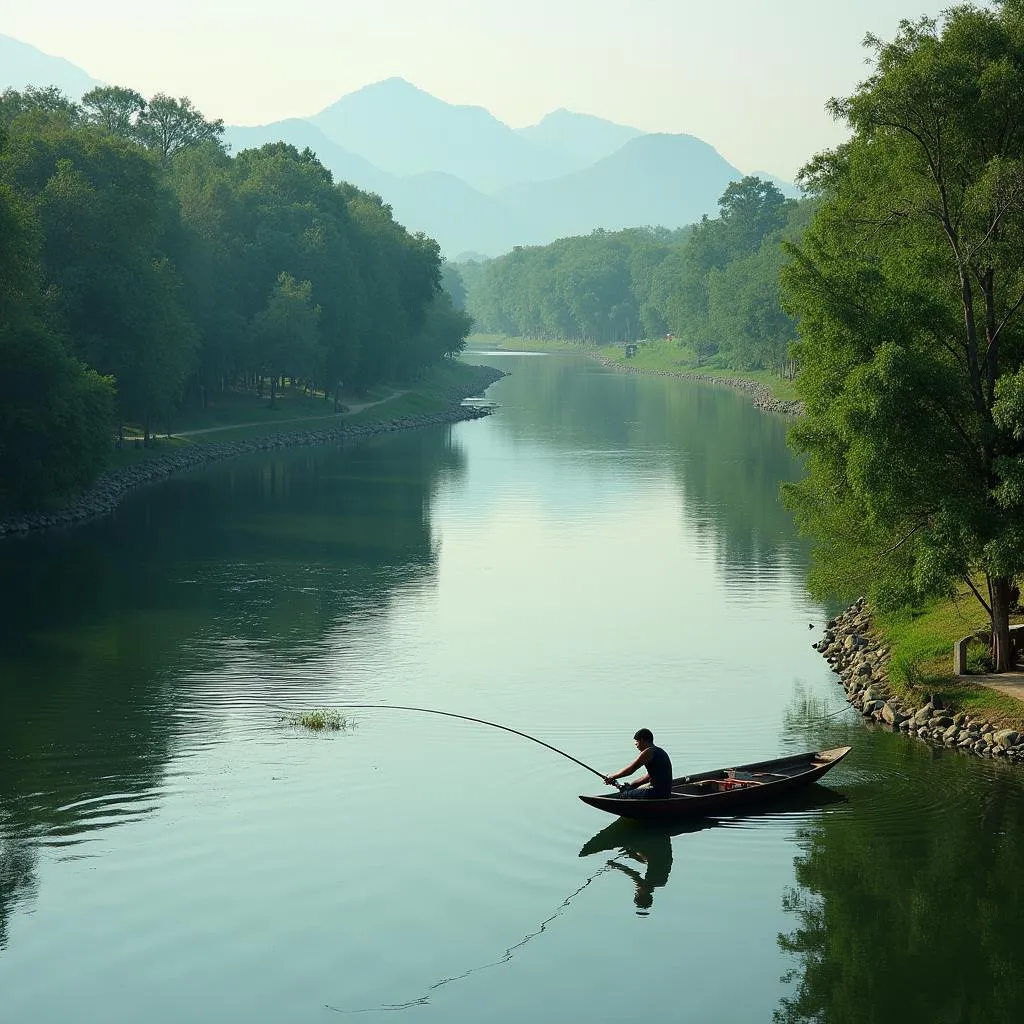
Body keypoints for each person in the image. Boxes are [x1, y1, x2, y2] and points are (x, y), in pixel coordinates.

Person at [604, 729, 673, 799]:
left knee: (623, 795)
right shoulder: (660, 751)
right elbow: (648, 777)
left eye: (636, 741)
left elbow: (631, 769)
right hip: (665, 793)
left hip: (656, 793)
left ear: (642, 740)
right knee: (633, 790)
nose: (635, 744)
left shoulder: (648, 752)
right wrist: (632, 786)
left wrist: (613, 777)